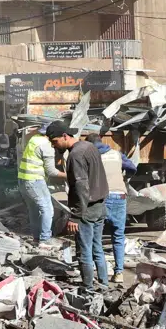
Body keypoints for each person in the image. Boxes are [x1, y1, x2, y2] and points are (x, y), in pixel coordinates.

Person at [46, 120, 109, 292]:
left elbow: (81, 187)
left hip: (86, 210)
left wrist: (75, 216)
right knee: (97, 247)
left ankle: (88, 287)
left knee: (84, 250)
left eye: (55, 141)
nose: (54, 146)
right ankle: (104, 283)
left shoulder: (76, 155)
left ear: (65, 136)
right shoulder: (89, 147)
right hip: (100, 205)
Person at [91, 132, 137, 284]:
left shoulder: (91, 155)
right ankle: (119, 273)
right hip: (119, 196)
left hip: (101, 197)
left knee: (96, 237)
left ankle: (99, 273)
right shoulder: (116, 154)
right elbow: (132, 167)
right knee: (118, 236)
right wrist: (125, 177)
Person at [18, 125, 65, 244]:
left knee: (33, 210)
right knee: (47, 209)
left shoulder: (34, 139)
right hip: (34, 180)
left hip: (23, 179)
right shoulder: (46, 145)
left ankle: (36, 238)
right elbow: (51, 171)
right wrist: (69, 175)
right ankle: (45, 239)